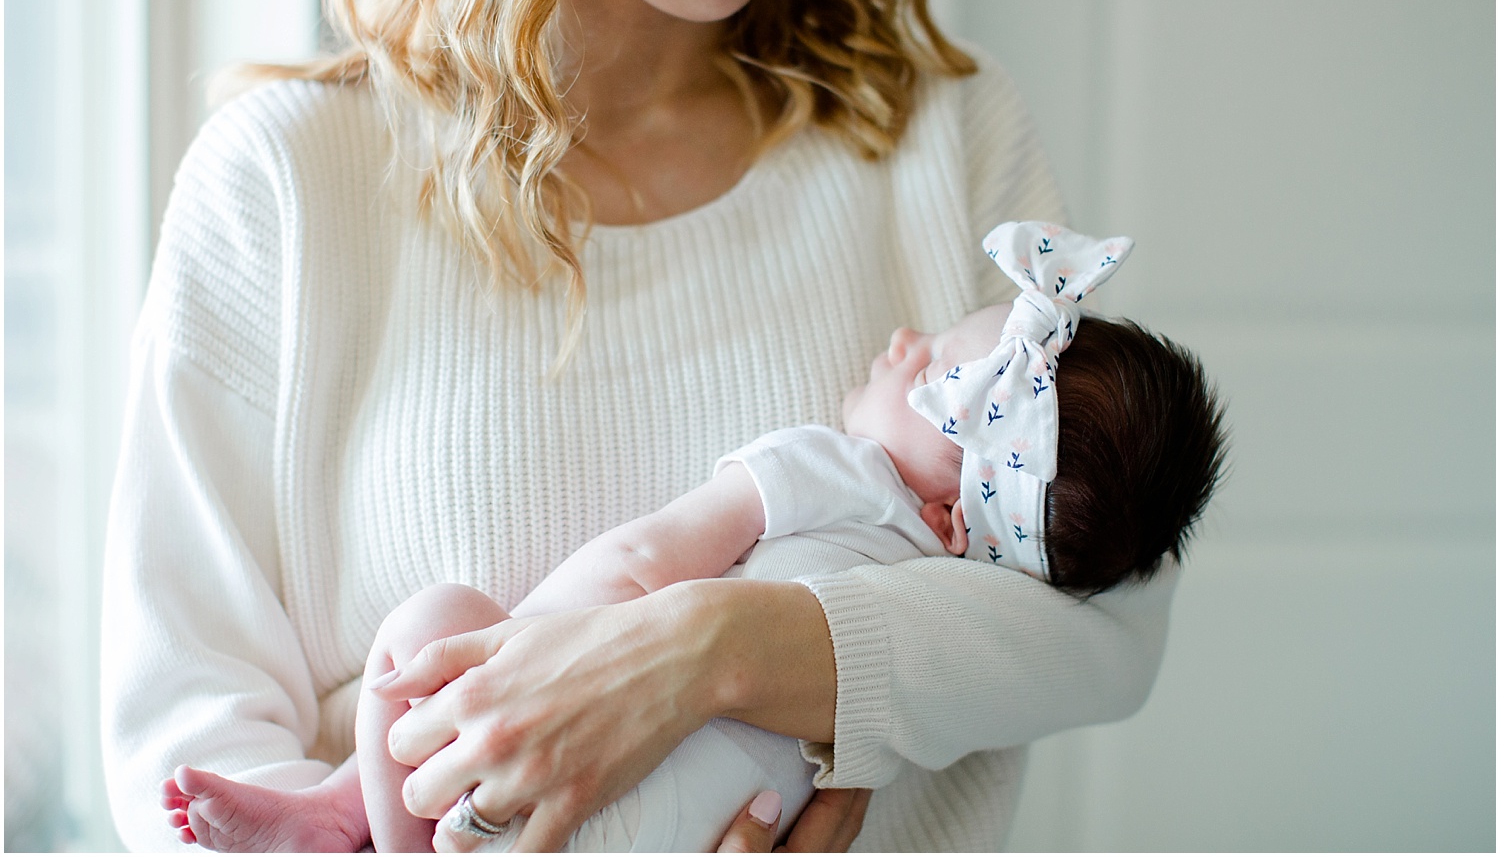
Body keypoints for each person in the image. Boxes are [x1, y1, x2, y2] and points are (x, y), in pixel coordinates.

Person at [102, 0, 1182, 853]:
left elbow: (1109, 624)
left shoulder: (946, 135)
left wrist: (720, 650)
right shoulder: (284, 183)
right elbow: (187, 727)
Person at [160, 221, 1227, 853]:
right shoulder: (947, 596)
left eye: (928, 369)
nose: (900, 343)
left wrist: (565, 644)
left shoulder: (830, 468)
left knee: (438, 625)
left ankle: (345, 812)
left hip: (500, 786)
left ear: (957, 511)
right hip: (684, 829)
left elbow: (641, 563)